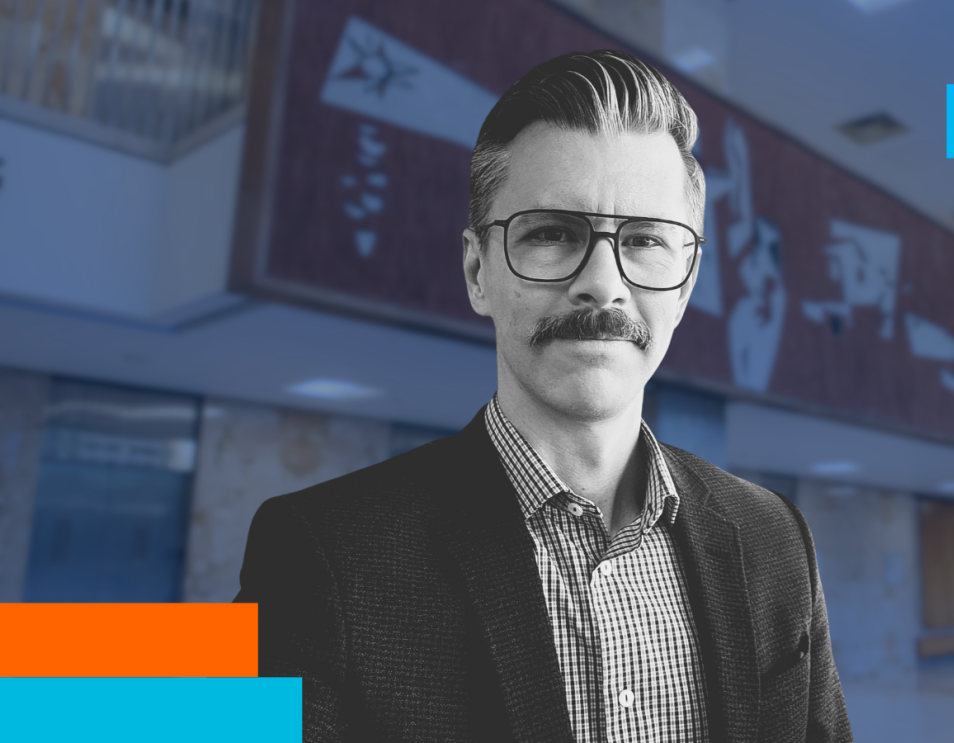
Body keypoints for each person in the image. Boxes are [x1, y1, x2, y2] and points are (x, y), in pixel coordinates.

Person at [235, 49, 852, 742]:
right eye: (554, 234)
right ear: (477, 271)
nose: (603, 283)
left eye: (646, 239)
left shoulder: (775, 537)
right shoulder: (322, 552)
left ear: (685, 282)